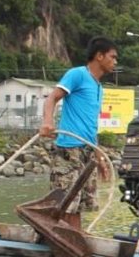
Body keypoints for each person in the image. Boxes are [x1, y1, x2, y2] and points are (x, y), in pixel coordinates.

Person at [39, 36, 117, 212]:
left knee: (84, 205)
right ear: (99, 56)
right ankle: (56, 237)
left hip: (88, 153)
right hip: (69, 150)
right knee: (64, 205)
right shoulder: (78, 75)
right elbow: (52, 98)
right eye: (112, 57)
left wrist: (100, 158)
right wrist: (47, 121)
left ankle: (74, 239)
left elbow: (91, 126)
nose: (115, 61)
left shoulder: (99, 87)